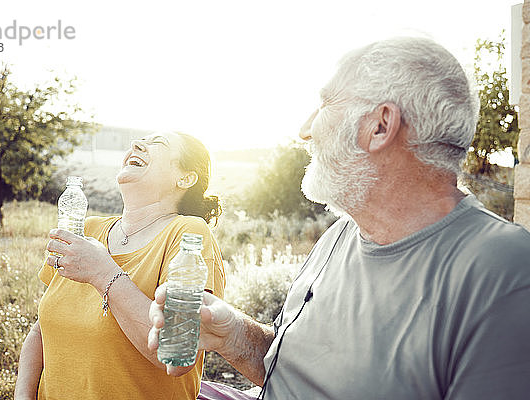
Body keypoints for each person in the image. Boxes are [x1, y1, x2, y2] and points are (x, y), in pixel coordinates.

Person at [148, 37, 530, 399]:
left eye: (326, 103)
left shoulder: (504, 272)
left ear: (380, 126)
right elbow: (294, 372)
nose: (304, 131)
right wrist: (232, 334)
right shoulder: (341, 235)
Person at [14, 132, 226, 400]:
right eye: (139, 141)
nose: (135, 144)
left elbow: (174, 356)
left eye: (157, 143)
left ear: (185, 178)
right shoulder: (87, 229)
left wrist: (103, 273)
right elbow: (40, 331)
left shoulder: (189, 235)